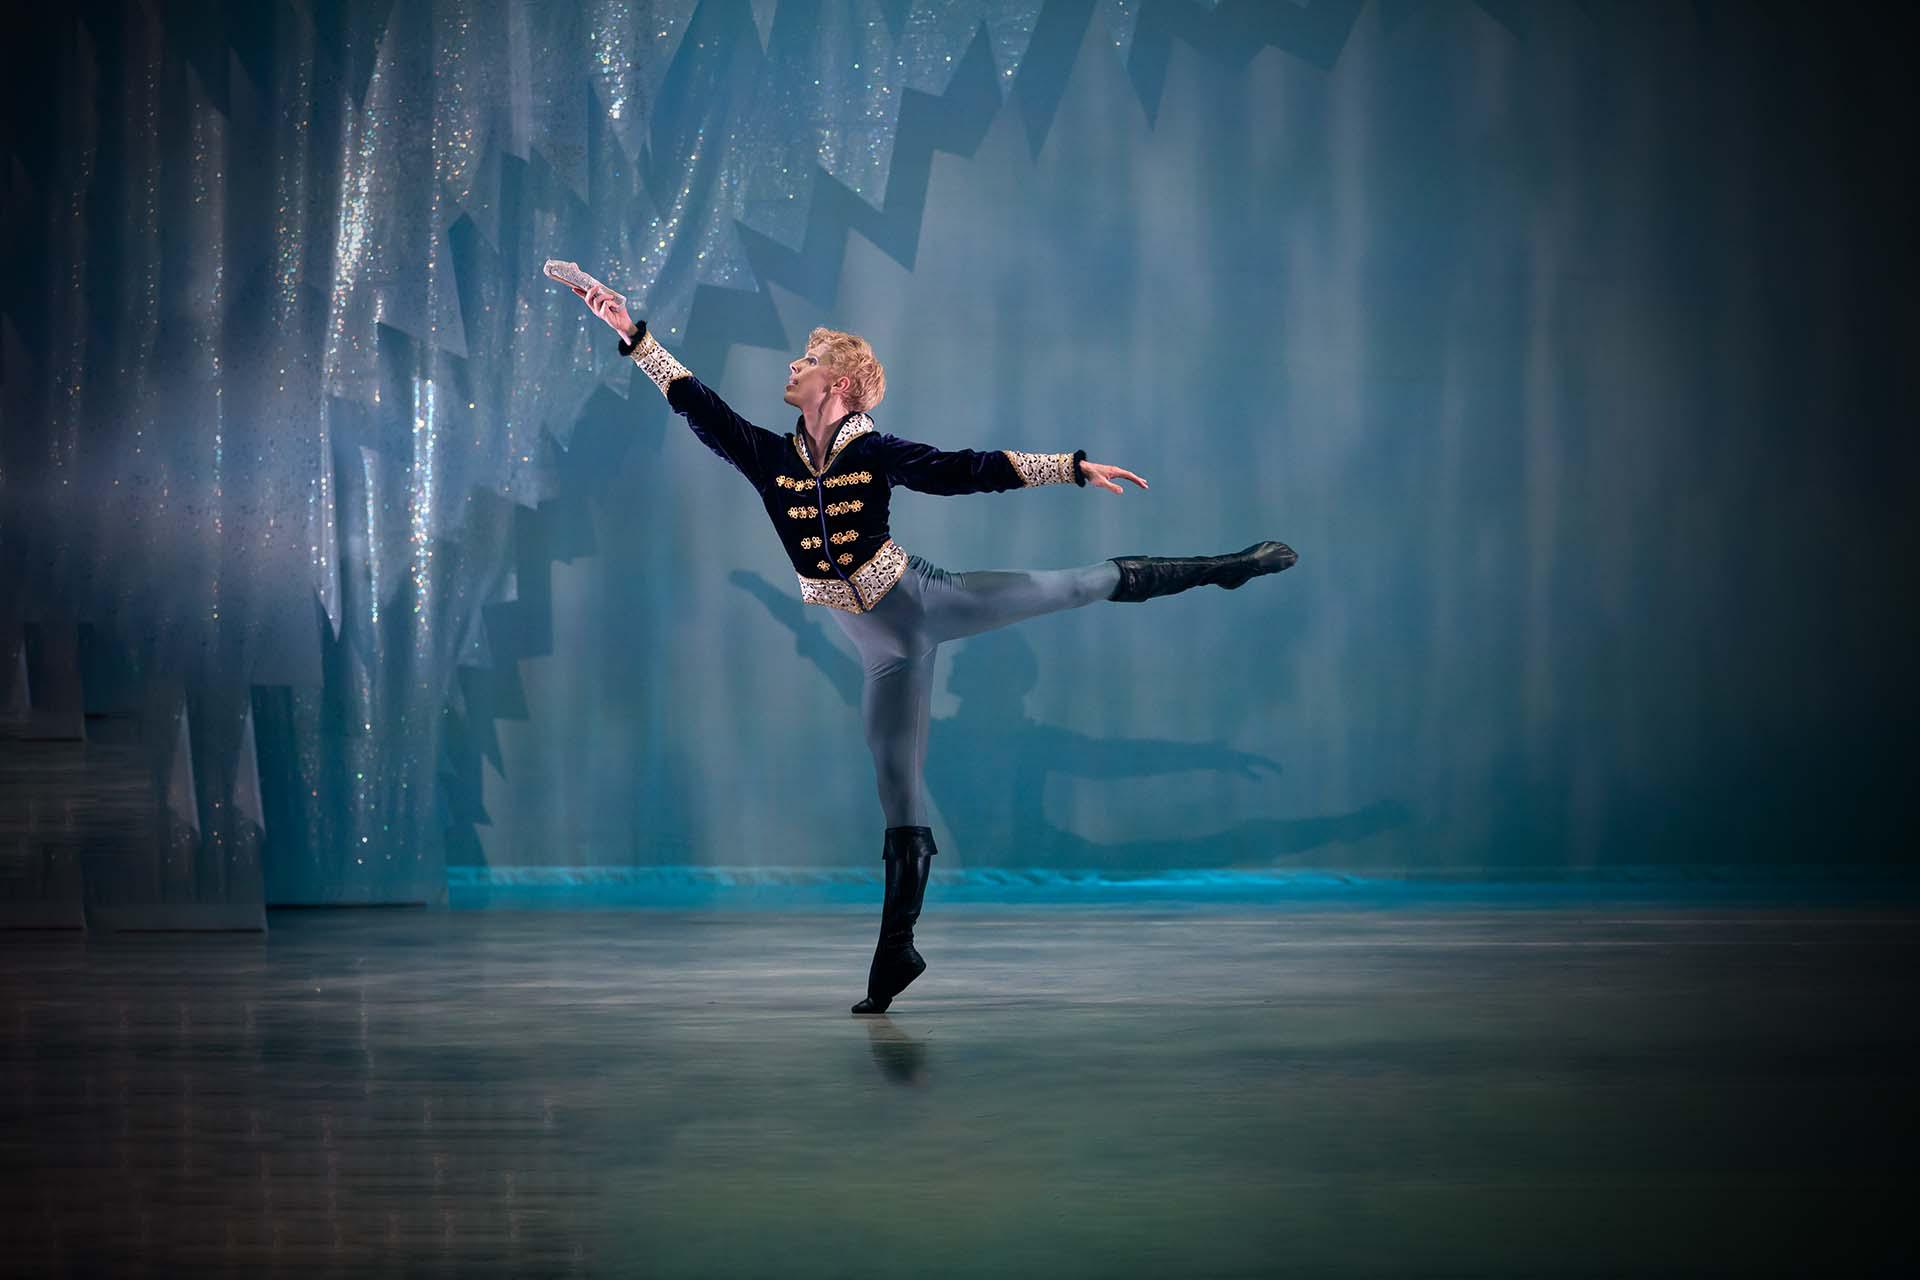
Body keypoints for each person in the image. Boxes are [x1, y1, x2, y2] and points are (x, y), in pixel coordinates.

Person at [577, 283, 1297, 1014]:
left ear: (843, 384)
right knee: (897, 789)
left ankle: (1225, 569)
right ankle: (897, 952)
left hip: (927, 600)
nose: (793, 365)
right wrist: (635, 336)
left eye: (810, 360)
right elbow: (698, 405)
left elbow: (964, 470)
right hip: (880, 650)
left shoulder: (877, 451)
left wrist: (1072, 467)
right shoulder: (773, 458)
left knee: (1074, 585)